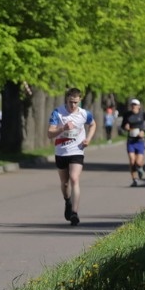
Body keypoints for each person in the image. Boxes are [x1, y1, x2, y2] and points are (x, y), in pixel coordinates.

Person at [47, 87, 96, 226]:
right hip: (61, 152)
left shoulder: (84, 114)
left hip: (77, 151)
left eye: (75, 102)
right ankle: (67, 200)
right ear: (66, 100)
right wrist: (62, 128)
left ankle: (74, 213)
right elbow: (49, 133)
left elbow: (93, 125)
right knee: (65, 183)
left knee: (74, 178)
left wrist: (88, 139)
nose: (73, 105)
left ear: (80, 100)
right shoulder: (58, 113)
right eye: (70, 102)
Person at [121, 98, 145, 187]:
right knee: (132, 161)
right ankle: (134, 180)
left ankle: (140, 168)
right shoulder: (127, 115)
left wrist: (143, 131)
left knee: (138, 162)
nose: (133, 106)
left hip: (139, 140)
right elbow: (123, 125)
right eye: (132, 105)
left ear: (139, 106)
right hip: (131, 140)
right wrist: (125, 127)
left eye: (135, 105)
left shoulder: (143, 114)